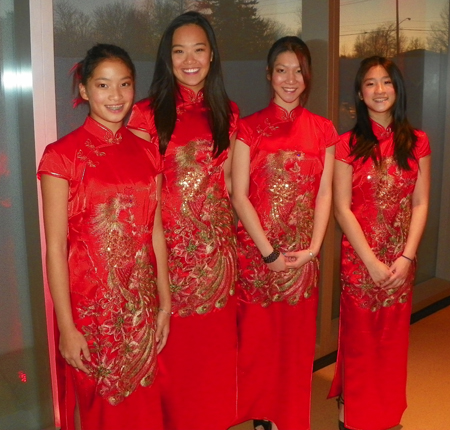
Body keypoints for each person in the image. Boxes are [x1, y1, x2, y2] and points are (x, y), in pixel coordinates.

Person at [38, 44, 171, 430]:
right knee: (103, 412)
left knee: (145, 409)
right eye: (103, 85)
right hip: (93, 313)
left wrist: (165, 304)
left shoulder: (149, 152)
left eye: (125, 84)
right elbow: (56, 248)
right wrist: (67, 327)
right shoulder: (61, 156)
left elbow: (155, 231)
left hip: (143, 307)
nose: (116, 96)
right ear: (84, 90)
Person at [127, 11, 239, 430]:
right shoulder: (143, 116)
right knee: (174, 371)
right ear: (166, 58)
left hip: (218, 264)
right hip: (168, 264)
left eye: (198, 49)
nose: (189, 59)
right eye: (179, 51)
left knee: (213, 367)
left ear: (211, 56)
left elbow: (227, 187)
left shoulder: (227, 112)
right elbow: (139, 198)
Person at [231, 36, 337, 430]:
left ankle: (289, 418)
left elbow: (325, 191)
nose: (290, 79)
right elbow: (239, 196)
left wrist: (312, 250)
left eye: (298, 71)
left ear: (307, 77)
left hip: (302, 259)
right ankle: (263, 416)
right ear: (269, 75)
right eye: (281, 70)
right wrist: (269, 254)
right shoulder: (249, 128)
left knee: (294, 348)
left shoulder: (324, 130)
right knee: (259, 346)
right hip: (259, 258)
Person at [328, 56, 431, 430]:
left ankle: (387, 417)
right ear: (359, 93)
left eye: (386, 82)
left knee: (391, 345)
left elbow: (420, 203)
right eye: (370, 83)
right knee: (360, 345)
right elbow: (342, 209)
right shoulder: (346, 144)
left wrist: (407, 256)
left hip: (401, 263)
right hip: (361, 263)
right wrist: (370, 261)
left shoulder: (418, 142)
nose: (379, 90)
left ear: (397, 89)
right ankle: (351, 417)